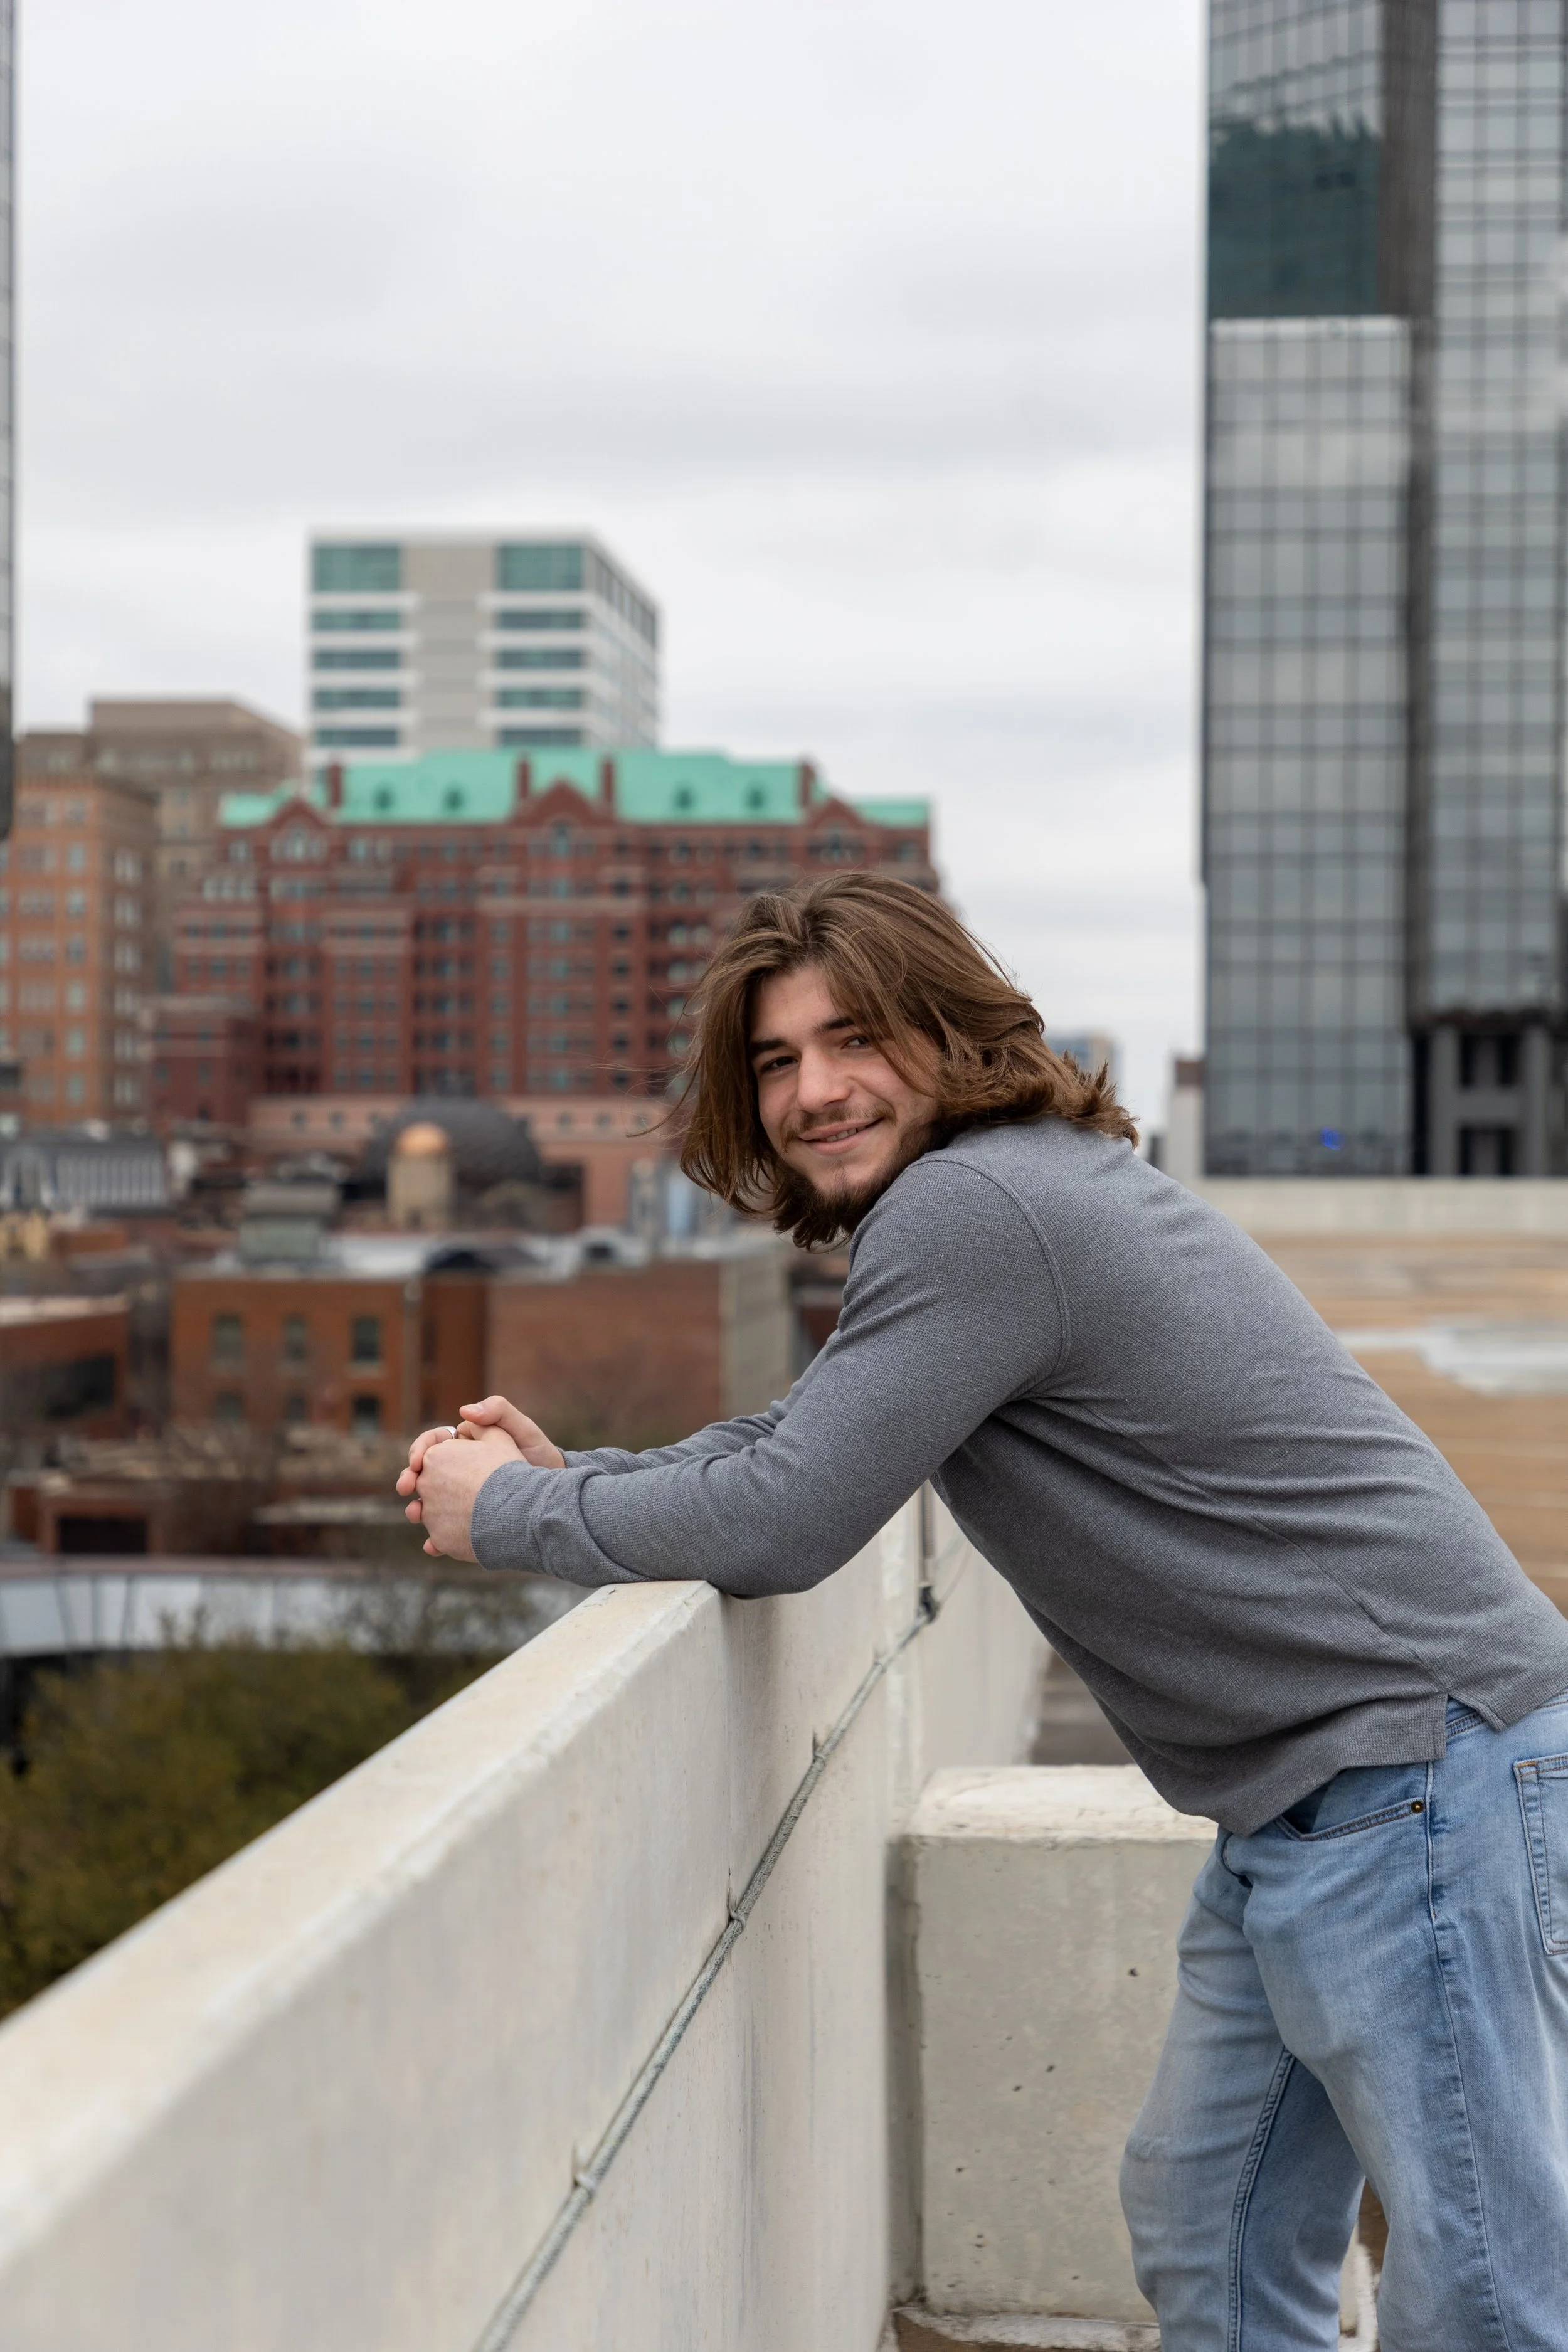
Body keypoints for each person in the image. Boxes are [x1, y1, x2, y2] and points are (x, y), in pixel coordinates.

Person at [398, 871, 1568, 2351]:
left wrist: (504, 1512)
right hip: (1312, 1805)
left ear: (945, 1034)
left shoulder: (975, 1207)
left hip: (1414, 1783)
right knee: (1207, 2229)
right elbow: (802, 1442)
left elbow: (786, 1518)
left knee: (1484, 2298)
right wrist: (594, 1478)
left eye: (852, 1040)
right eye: (774, 1060)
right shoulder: (1003, 1196)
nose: (813, 1092)